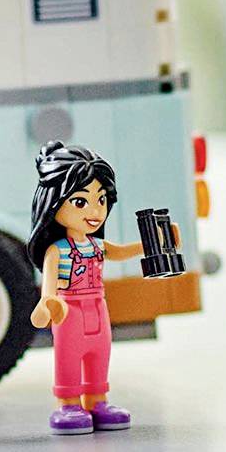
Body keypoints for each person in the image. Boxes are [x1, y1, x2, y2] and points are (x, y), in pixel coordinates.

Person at [27, 141, 142, 434]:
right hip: (70, 311)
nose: (94, 211)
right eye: (81, 202)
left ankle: (97, 400)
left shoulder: (97, 245)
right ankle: (68, 403)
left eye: (101, 200)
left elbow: (120, 251)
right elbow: (48, 291)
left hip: (98, 308)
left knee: (99, 352)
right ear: (54, 203)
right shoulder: (57, 251)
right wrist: (49, 306)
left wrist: (156, 243)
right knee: (68, 356)